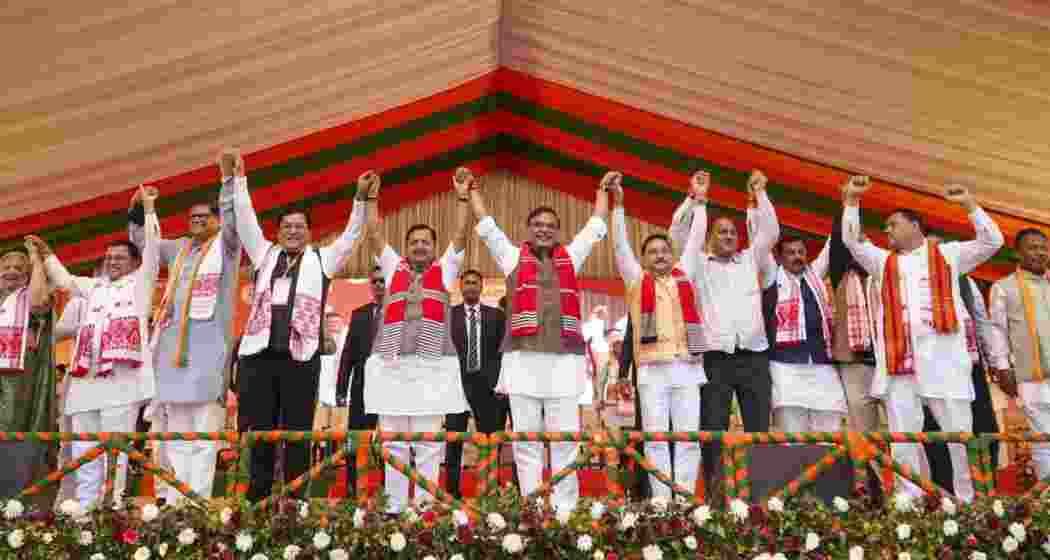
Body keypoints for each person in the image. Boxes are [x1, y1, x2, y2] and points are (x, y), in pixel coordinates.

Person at [841, 175, 1004, 503]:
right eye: (885, 226)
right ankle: (909, 503)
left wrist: (969, 205)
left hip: (944, 363)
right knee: (903, 440)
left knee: (958, 438)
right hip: (900, 367)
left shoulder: (949, 255)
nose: (886, 230)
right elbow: (853, 242)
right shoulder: (882, 262)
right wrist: (852, 201)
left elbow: (992, 241)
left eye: (893, 224)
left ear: (915, 226)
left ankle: (966, 503)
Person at [225, 155, 369, 501]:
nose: (293, 231)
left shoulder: (322, 259)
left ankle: (295, 501)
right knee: (259, 432)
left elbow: (351, 236)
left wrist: (361, 198)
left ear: (309, 232)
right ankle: (256, 500)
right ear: (278, 232)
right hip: (259, 359)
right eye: (287, 226)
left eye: (299, 227)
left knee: (297, 434)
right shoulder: (264, 254)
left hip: (301, 359)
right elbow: (245, 222)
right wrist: (239, 180)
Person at [469, 168, 611, 510]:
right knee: (525, 442)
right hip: (522, 363)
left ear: (557, 231)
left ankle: (565, 512)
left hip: (563, 365)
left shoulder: (570, 258)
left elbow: (594, 229)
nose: (544, 229)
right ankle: (531, 509)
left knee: (565, 443)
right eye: (538, 225)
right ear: (528, 231)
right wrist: (470, 190)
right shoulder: (512, 257)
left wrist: (603, 193)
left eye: (550, 225)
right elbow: (488, 229)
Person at [27, 184, 160, 509]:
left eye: (120, 258)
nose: (113, 262)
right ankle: (84, 512)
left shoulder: (141, 285)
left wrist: (149, 211)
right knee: (83, 452)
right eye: (109, 257)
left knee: (114, 452)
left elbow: (154, 249)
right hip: (86, 385)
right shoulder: (94, 287)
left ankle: (111, 509)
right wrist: (46, 255)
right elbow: (65, 281)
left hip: (122, 384)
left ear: (134, 262)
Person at [127, 150, 242, 504]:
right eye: (191, 216)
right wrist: (138, 208)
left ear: (217, 220)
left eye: (204, 216)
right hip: (171, 358)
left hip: (207, 358)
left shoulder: (226, 248)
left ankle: (198, 503)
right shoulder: (176, 250)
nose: (196, 221)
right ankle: (177, 503)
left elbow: (236, 224)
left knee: (204, 437)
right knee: (175, 436)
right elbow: (142, 243)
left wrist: (228, 182)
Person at [362, 168, 471, 513]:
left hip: (431, 368)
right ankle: (394, 509)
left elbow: (462, 234)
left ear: (434, 248)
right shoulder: (394, 267)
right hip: (392, 366)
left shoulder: (446, 270)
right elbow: (375, 234)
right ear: (406, 248)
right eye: (414, 242)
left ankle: (424, 508)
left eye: (426, 242)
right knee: (393, 444)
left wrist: (463, 198)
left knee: (427, 446)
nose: (420, 246)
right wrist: (371, 198)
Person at [669, 170, 779, 498]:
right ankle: (715, 501)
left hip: (754, 358)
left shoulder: (750, 260)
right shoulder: (698, 263)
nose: (729, 236)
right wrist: (695, 197)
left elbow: (770, 231)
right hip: (714, 361)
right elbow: (676, 231)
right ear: (710, 237)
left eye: (733, 232)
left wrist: (759, 193)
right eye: (722, 231)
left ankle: (761, 500)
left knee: (759, 433)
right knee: (712, 432)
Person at [611, 170, 710, 498]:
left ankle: (683, 503)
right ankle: (661, 503)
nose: (660, 255)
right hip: (651, 371)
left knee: (687, 439)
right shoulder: (636, 281)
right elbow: (620, 244)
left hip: (688, 367)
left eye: (664, 250)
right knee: (654, 439)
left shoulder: (687, 274)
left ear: (673, 254)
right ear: (643, 259)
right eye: (652, 252)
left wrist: (700, 201)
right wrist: (618, 205)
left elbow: (696, 239)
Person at [762, 233, 847, 433]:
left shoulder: (815, 275)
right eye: (790, 253)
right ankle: (794, 466)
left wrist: (846, 210)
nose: (797, 256)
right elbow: (763, 238)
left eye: (801, 252)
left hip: (821, 362)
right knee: (791, 433)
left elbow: (830, 247)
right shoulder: (772, 277)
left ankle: (828, 465)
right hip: (785, 366)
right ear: (780, 258)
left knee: (830, 428)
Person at [987, 228, 1050, 482]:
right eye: (1032, 247)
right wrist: (1003, 368)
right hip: (1030, 376)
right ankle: (1047, 499)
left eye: (1043, 248)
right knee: (1043, 438)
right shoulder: (1003, 288)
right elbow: (997, 331)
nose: (1040, 252)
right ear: (1017, 253)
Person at [444, 269, 507, 499]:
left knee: (490, 441)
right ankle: (451, 490)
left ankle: (490, 488)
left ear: (481, 287)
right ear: (461, 287)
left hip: (488, 387)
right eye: (467, 283)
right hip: (456, 386)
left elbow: (503, 354)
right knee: (454, 440)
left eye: (475, 283)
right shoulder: (449, 316)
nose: (471, 286)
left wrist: (500, 384)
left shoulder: (497, 315)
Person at [0, 244, 53, 501]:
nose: (11, 272)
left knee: (10, 431)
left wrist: (35, 258)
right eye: (6, 267)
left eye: (18, 268)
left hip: (17, 378)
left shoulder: (28, 297)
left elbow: (41, 301)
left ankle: (11, 498)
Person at [335, 266, 384, 498]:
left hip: (391, 391)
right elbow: (348, 355)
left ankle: (388, 493)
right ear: (370, 285)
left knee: (387, 444)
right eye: (375, 281)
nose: (379, 285)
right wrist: (341, 388)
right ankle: (353, 490)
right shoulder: (359, 314)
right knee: (355, 442)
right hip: (361, 389)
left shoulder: (400, 313)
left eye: (383, 281)